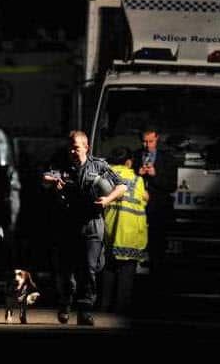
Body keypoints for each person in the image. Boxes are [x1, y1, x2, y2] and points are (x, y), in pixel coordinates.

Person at [42, 130, 127, 326]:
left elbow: (122, 186)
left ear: (86, 147)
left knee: (89, 269)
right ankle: (65, 303)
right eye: (70, 147)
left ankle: (85, 310)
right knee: (66, 271)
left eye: (76, 147)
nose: (73, 151)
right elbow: (45, 177)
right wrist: (53, 181)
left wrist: (107, 199)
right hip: (67, 225)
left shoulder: (99, 165)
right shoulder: (61, 164)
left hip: (92, 224)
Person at [131, 126, 177, 304]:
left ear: (157, 139)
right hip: (137, 210)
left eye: (150, 141)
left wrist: (155, 175)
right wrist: (137, 174)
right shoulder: (135, 156)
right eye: (144, 141)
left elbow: (171, 185)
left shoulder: (168, 159)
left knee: (158, 249)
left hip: (158, 210)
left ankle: (157, 287)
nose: (147, 145)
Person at [100, 147, 148, 315]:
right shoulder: (137, 180)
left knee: (107, 271)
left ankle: (104, 306)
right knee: (126, 274)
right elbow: (143, 200)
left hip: (108, 231)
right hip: (130, 235)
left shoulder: (104, 178)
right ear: (128, 162)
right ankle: (121, 309)